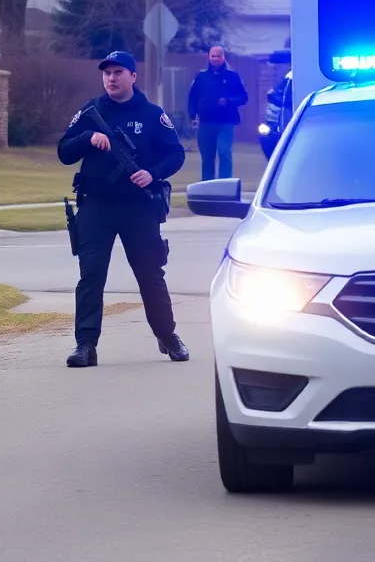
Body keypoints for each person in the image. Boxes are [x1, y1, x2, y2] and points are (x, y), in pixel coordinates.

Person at [57, 50, 189, 368]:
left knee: (150, 274)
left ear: (133, 76)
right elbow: (63, 151)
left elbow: (176, 154)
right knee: (91, 276)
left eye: (118, 72)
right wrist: (89, 138)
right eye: (107, 73)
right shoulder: (90, 111)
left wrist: (152, 173)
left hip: (138, 209)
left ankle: (167, 335)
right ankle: (85, 344)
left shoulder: (151, 114)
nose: (111, 78)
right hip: (96, 205)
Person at [186, 45, 248, 180]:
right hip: (206, 122)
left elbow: (243, 97)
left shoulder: (232, 76)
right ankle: (207, 185)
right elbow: (193, 97)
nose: (215, 59)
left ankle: (225, 183)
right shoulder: (202, 77)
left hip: (226, 122)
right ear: (209, 57)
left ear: (223, 57)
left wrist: (228, 101)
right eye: (212, 56)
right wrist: (192, 116)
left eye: (218, 56)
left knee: (224, 152)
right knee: (207, 156)